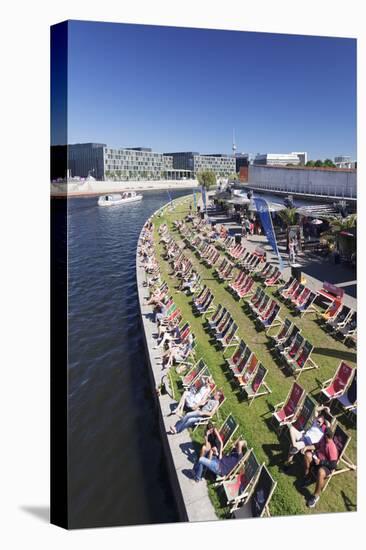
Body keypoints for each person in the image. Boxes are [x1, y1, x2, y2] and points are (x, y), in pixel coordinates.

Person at [302, 428, 339, 508]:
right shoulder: (323, 439)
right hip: (317, 459)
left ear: (328, 437)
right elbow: (316, 445)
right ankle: (307, 477)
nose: (324, 436)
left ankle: (315, 496)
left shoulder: (332, 448)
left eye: (325, 436)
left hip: (326, 466)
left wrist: (321, 462)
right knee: (307, 455)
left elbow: (333, 465)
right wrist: (307, 447)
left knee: (321, 472)